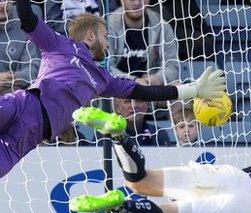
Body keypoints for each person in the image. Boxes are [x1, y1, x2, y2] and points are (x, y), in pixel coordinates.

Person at [0, 0, 226, 178]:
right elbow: (28, 20)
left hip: (30, 135)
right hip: (21, 104)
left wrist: (193, 90)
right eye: (106, 37)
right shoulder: (59, 44)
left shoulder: (104, 79)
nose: (108, 44)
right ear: (90, 36)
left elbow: (144, 93)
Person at [69, 107, 251, 213]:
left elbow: (248, 172)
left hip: (232, 176)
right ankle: (119, 205)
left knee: (141, 183)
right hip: (250, 209)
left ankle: (119, 137)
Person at [107, 0, 179, 86]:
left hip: (151, 88)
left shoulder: (162, 26)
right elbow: (106, 68)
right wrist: (134, 81)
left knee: (177, 87)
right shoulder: (107, 26)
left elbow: (172, 66)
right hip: (119, 88)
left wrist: (157, 79)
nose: (137, 3)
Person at [0, 0, 40, 95]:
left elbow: (33, 69)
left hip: (13, 93)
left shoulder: (27, 17)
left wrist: (10, 78)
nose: (3, 5)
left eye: (5, 0)